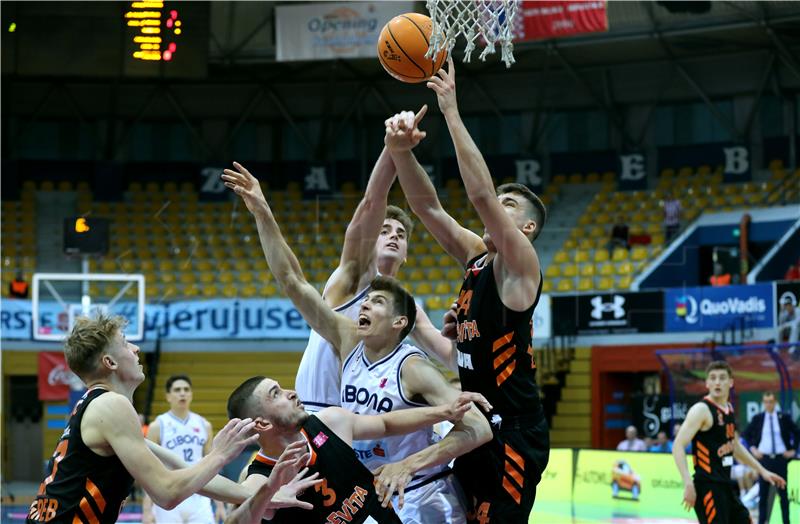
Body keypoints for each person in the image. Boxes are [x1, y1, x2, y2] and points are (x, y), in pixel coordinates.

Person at [222, 163, 493, 522]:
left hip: (407, 483)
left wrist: (466, 342)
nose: (363, 307)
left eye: (401, 233)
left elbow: (453, 367)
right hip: (326, 428)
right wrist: (262, 210)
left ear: (400, 322)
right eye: (384, 230)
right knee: (258, 491)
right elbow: (292, 279)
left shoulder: (410, 340)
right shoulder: (349, 298)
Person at [384, 57, 550, 523]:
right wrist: (400, 152)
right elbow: (427, 208)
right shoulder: (479, 258)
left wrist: (450, 110)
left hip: (514, 435)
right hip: (474, 426)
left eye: (509, 203)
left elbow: (478, 194)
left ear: (528, 226)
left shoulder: (521, 265)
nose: (496, 204)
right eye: (499, 199)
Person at [25, 315, 305, 523]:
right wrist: (219, 455)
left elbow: (189, 473)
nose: (135, 349)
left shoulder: (99, 408)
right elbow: (167, 492)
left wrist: (269, 493)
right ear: (109, 362)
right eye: (125, 343)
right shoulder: (112, 404)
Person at [291, 151, 456, 415]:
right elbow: (371, 204)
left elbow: (452, 359)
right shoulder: (351, 278)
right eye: (384, 231)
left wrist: (460, 337)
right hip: (316, 407)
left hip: (357, 419)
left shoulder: (403, 305)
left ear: (406, 254)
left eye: (401, 235)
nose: (394, 236)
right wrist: (394, 147)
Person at [228, 375, 491, 523]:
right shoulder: (260, 478)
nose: (292, 392)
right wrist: (269, 493)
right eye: (276, 394)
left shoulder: (329, 422)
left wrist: (445, 411)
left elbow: (386, 424)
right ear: (261, 423)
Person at [672, 361, 786, 524]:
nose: (717, 382)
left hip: (725, 486)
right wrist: (688, 483)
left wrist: (762, 471)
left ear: (731, 382)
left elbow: (735, 446)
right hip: (707, 487)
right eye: (713, 378)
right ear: (707, 383)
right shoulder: (701, 410)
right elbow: (678, 446)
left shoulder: (729, 409)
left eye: (722, 378)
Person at [143, 375, 225, 524]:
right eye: (177, 390)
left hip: (199, 495)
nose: (182, 393)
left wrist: (220, 505)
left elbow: (212, 465)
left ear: (191, 395)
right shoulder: (157, 426)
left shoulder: (204, 425)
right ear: (168, 396)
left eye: (186, 390)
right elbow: (148, 469)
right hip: (169, 493)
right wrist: (147, 509)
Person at [742, 391, 799, 524]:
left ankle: (786, 522)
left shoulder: (783, 417)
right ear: (763, 403)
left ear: (775, 402)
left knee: (783, 495)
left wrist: (793, 451)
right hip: (765, 460)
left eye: (771, 402)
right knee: (763, 494)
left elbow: (797, 432)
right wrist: (753, 449)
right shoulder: (759, 418)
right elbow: (746, 434)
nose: (768, 404)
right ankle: (763, 522)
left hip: (780, 459)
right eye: (766, 402)